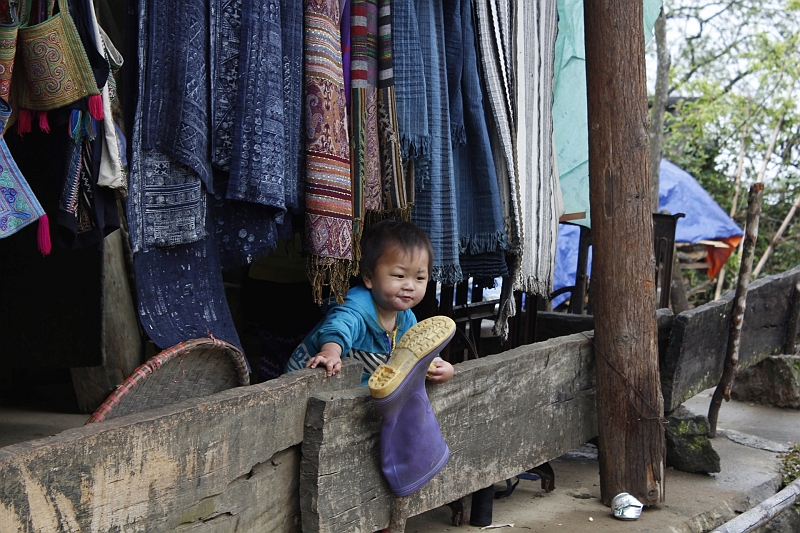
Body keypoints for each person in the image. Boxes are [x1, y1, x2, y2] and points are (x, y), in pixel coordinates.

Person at [285, 219, 454, 386]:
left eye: (420, 278)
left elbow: (419, 349)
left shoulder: (406, 317)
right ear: (369, 277)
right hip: (306, 386)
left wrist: (438, 365)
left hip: (353, 393)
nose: (410, 286)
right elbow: (337, 328)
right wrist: (330, 352)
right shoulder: (355, 308)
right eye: (399, 276)